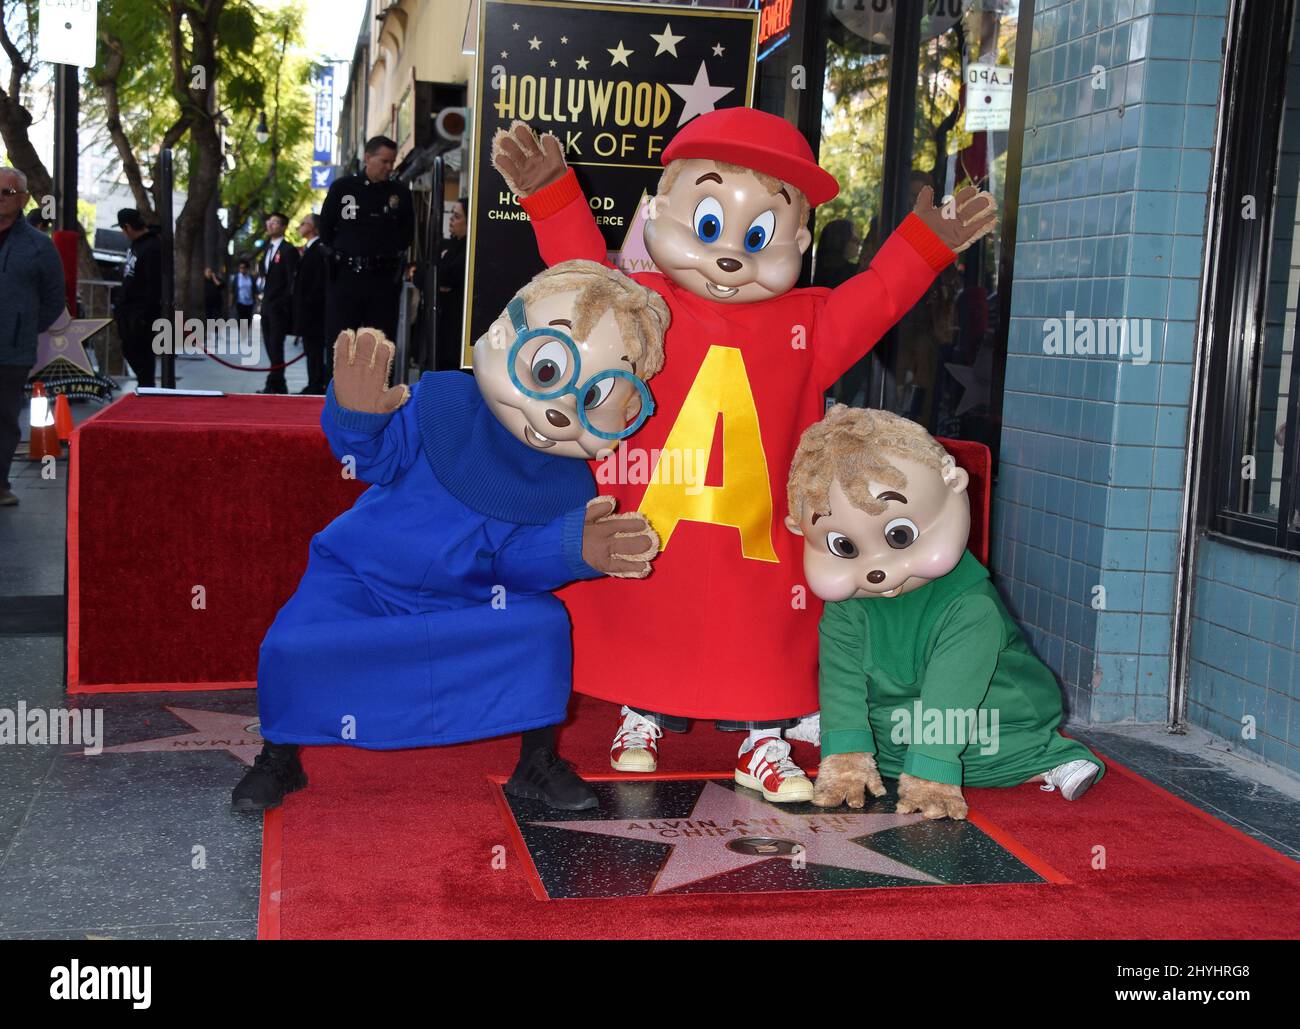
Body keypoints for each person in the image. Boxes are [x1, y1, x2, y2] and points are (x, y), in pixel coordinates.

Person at [493, 111, 995, 801]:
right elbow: (579, 281)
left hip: (755, 535)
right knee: (647, 609)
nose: (730, 255)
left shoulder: (808, 324)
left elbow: (877, 296)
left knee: (762, 637)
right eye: (707, 226)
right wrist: (552, 197)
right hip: (655, 515)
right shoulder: (643, 305)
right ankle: (640, 713)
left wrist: (925, 247)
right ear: (659, 213)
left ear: (800, 240)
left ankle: (765, 738)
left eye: (758, 237)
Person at [231, 260, 669, 812]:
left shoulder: (568, 481)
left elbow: (513, 567)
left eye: (597, 394)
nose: (560, 411)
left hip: (470, 600)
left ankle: (535, 761)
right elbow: (370, 459)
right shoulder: (441, 403)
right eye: (551, 370)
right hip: (359, 576)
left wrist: (571, 549)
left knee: (541, 627)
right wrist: (355, 417)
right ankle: (280, 756)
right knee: (294, 642)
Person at [785, 406, 1104, 816]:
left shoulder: (969, 604)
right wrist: (846, 751)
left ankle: (1048, 757)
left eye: (899, 535)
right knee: (867, 734)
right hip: (905, 711)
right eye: (845, 547)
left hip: (994, 709)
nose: (877, 570)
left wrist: (931, 775)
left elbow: (951, 696)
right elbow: (842, 678)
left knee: (986, 745)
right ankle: (875, 746)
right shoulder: (847, 604)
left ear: (953, 486)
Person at [0, 168, 66, 507]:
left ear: (24, 199)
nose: (1, 197)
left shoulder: (39, 246)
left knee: (4, 417)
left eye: (8, 192)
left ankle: (0, 484)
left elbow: (55, 298)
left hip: (12, 350)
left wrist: (23, 326)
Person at [318, 135, 414, 346]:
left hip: (383, 280)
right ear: (368, 157)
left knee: (380, 346)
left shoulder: (399, 193)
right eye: (384, 161)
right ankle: (337, 381)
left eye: (392, 162)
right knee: (341, 343)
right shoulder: (343, 188)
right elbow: (325, 228)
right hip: (346, 276)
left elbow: (406, 234)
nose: (389, 167)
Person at [115, 208, 163, 388]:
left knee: (141, 353)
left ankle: (147, 386)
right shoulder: (136, 245)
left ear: (128, 227)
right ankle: (145, 385)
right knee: (130, 349)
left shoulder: (152, 246)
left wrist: (145, 314)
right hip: (129, 309)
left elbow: (154, 283)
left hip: (141, 312)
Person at [257, 212, 299, 394]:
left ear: (283, 227)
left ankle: (275, 382)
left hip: (278, 307)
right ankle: (277, 381)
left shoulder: (288, 250)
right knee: (269, 345)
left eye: (275, 223)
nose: (270, 225)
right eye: (269, 222)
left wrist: (283, 303)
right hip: (266, 305)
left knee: (276, 344)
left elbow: (292, 281)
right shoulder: (267, 249)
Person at [293, 214, 329, 394]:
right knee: (310, 349)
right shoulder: (310, 248)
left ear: (314, 228)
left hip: (314, 310)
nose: (300, 226)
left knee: (314, 349)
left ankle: (316, 382)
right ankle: (313, 381)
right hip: (307, 309)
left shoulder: (319, 249)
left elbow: (318, 281)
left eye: (304, 223)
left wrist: (309, 302)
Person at [434, 195, 469, 371]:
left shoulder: (468, 250)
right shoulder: (449, 246)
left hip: (456, 335)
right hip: (442, 329)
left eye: (457, 216)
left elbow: (447, 276)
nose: (451, 221)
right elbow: (430, 276)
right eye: (451, 215)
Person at [233, 259, 257, 324]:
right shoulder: (237, 278)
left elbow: (254, 289)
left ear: (247, 269)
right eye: (240, 268)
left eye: (244, 268)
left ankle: (245, 332)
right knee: (240, 320)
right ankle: (242, 333)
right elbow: (233, 290)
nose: (242, 269)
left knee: (248, 320)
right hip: (240, 302)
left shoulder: (251, 278)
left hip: (249, 303)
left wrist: (255, 300)